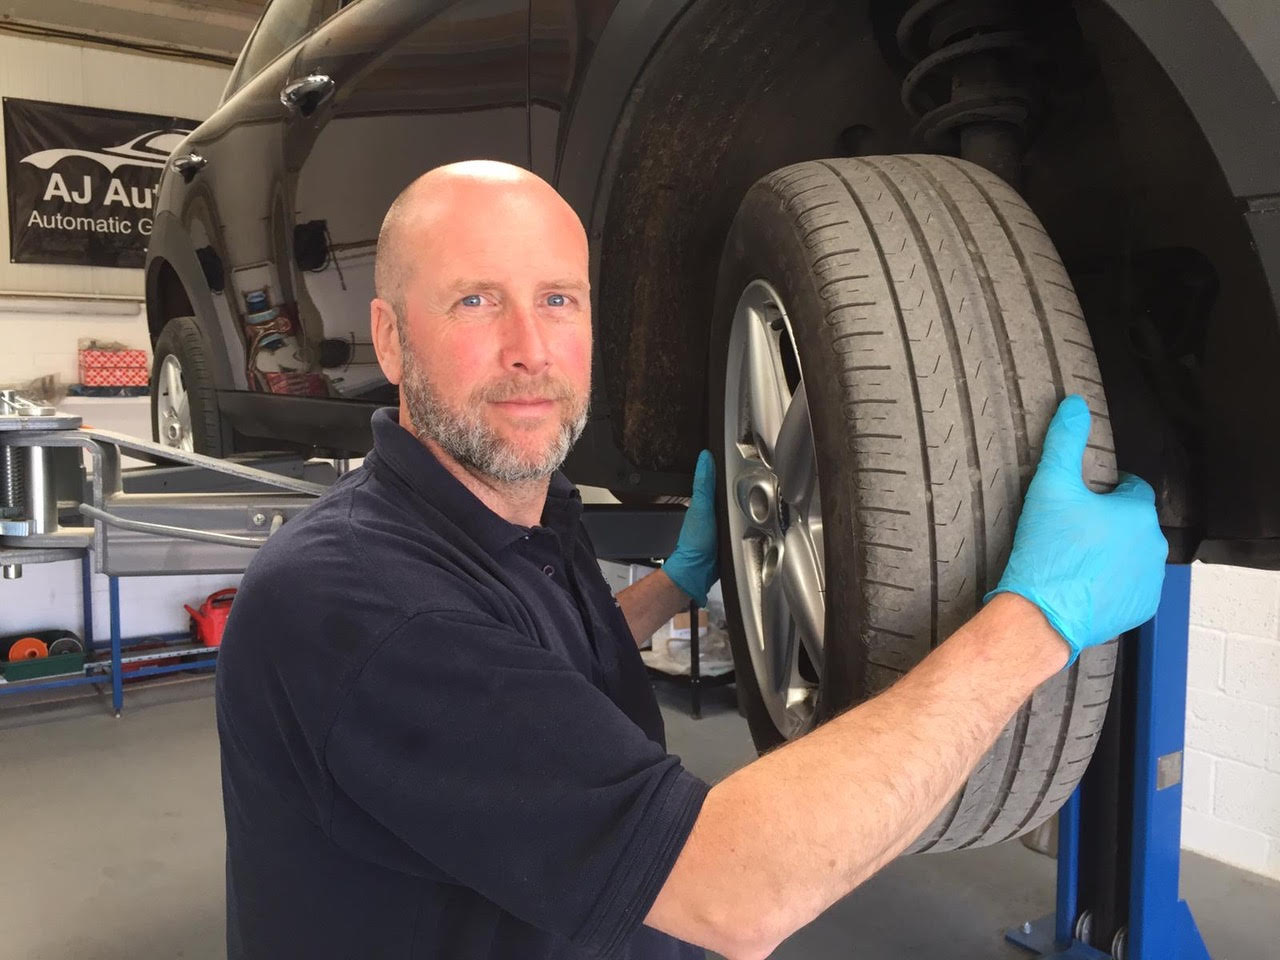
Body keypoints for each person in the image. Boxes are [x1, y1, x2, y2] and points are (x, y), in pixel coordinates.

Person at [215, 160, 1167, 960]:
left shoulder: (513, 512)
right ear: (389, 336)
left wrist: (678, 582)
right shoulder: (357, 607)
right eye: (476, 301)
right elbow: (733, 891)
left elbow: (522, 673)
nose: (530, 348)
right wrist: (1037, 619)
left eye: (558, 299)